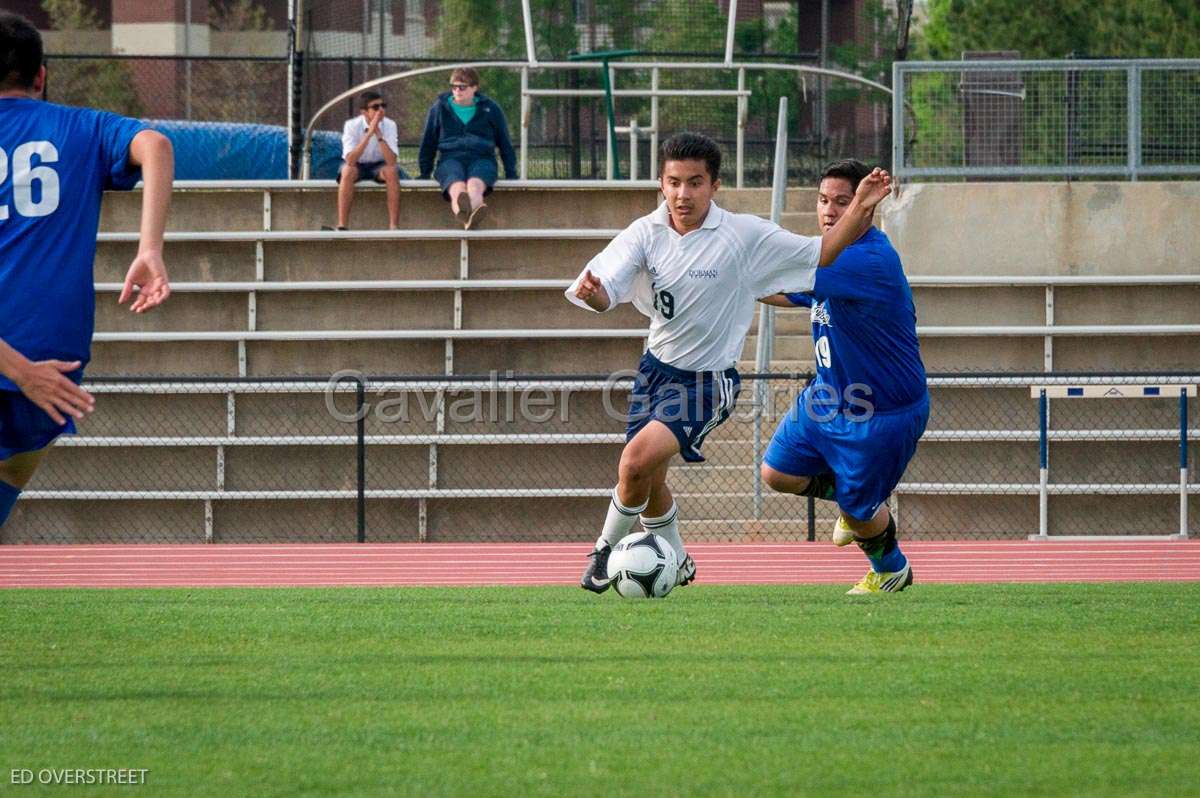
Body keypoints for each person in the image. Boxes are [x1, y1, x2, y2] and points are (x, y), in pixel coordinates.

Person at [566, 133, 892, 594]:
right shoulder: (645, 233)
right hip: (653, 371)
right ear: (661, 184)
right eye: (674, 183)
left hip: (707, 381)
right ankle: (677, 561)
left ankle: (600, 554)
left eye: (695, 183)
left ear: (714, 185)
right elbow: (605, 291)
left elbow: (819, 252)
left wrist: (860, 206)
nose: (683, 194)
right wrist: (595, 295)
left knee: (634, 464)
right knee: (648, 479)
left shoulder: (743, 234)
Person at [0, 12, 173, 529]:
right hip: (49, 359)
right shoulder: (79, 127)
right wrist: (150, 250)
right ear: (40, 76)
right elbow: (157, 145)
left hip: (33, 370)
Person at [758, 159, 928, 595]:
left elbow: (779, 271)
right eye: (822, 200)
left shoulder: (866, 259)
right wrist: (733, 284)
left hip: (881, 412)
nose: (828, 210)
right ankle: (856, 500)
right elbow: (780, 289)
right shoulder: (829, 255)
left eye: (842, 201)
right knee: (777, 473)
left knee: (859, 514)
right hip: (827, 397)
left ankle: (891, 569)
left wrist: (725, 268)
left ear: (864, 207)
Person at [417, 67, 517, 229]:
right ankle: (465, 217)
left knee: (474, 186)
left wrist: (511, 172)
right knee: (457, 188)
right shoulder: (439, 108)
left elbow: (504, 141)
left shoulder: (490, 109)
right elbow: (429, 141)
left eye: (462, 87)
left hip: (482, 158)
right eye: (454, 86)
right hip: (450, 158)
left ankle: (473, 214)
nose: (457, 90)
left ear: (474, 88)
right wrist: (424, 172)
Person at [334, 91, 403, 231]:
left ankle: (393, 226)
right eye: (376, 107)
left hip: (379, 165)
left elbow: (391, 161)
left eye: (383, 105)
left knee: (392, 172)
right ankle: (342, 225)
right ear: (364, 112)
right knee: (347, 171)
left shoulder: (390, 125)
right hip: (357, 165)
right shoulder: (351, 125)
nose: (381, 110)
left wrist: (378, 134)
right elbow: (350, 160)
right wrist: (368, 133)